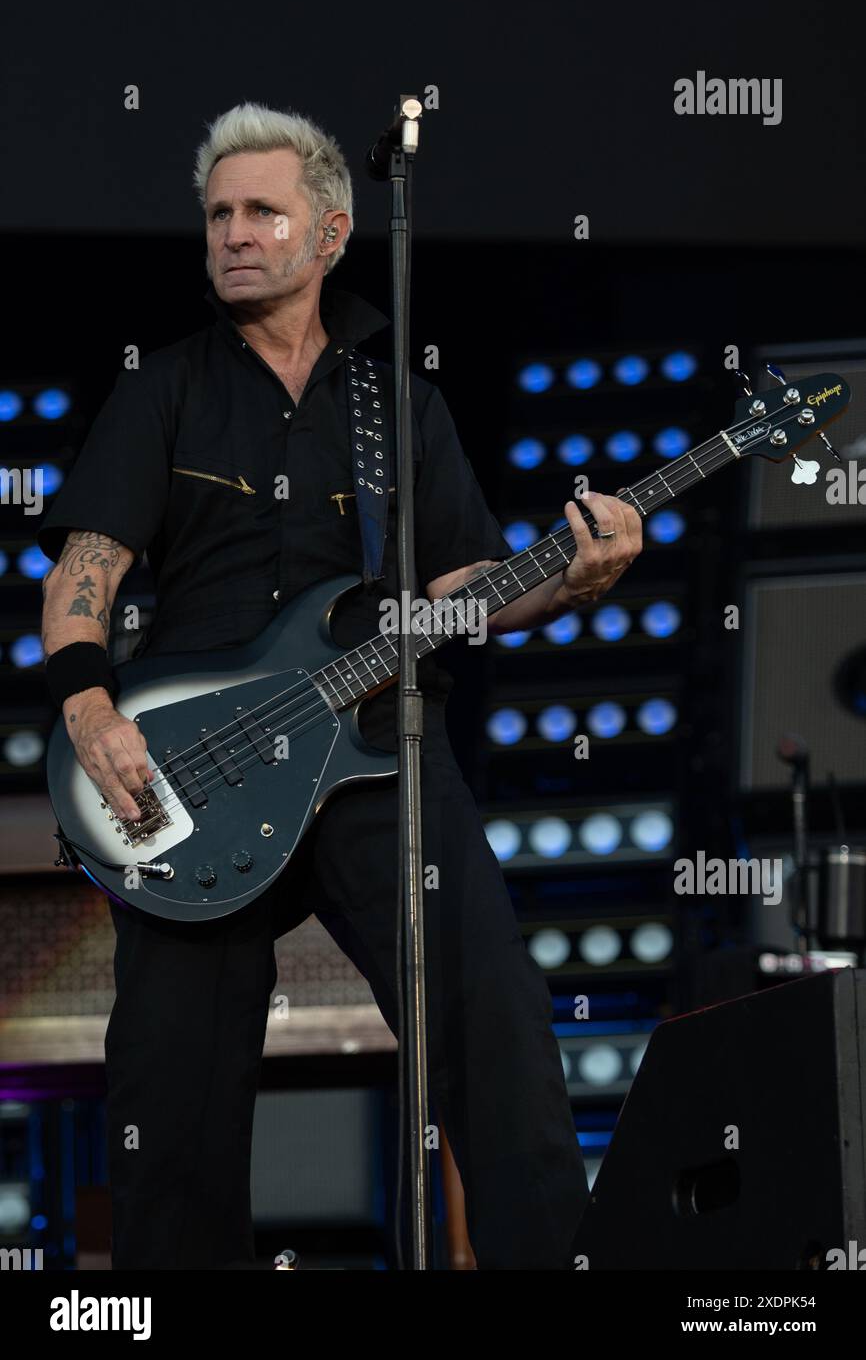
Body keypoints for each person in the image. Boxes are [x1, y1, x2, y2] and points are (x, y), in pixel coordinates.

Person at [38, 102, 643, 1270]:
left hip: (374, 747)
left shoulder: (395, 404)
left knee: (496, 1024)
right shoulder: (161, 389)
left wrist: (570, 582)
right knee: (172, 1097)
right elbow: (85, 571)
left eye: (263, 211)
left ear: (331, 232)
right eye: (217, 215)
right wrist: (89, 709)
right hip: (193, 771)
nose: (234, 234)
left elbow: (463, 585)